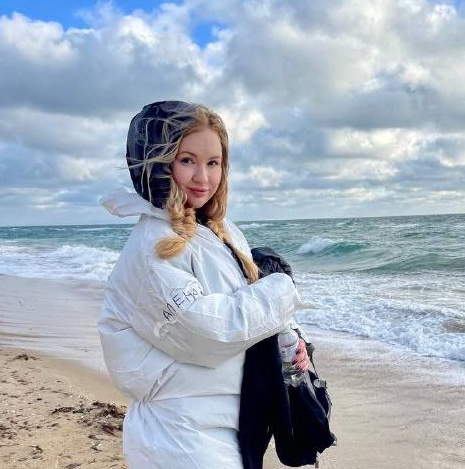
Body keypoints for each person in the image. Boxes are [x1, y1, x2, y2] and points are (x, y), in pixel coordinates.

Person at [97, 100, 310, 469]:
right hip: (177, 434)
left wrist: (290, 341)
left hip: (227, 423)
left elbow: (244, 305)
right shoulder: (153, 246)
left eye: (213, 163)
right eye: (187, 160)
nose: (203, 177)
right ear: (157, 164)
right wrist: (282, 289)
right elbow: (207, 333)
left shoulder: (221, 233)